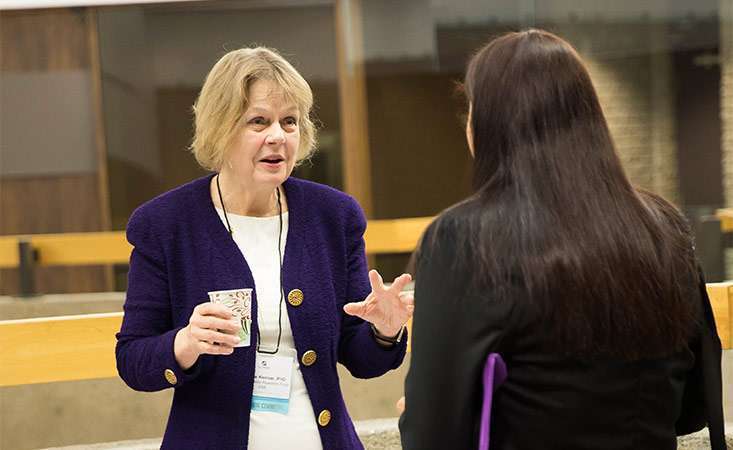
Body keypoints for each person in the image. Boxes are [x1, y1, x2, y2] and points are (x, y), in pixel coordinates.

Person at [399, 29, 724, 450]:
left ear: (491, 124)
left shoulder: (463, 238)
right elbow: (694, 406)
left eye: (472, 110)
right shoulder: (665, 227)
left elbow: (432, 434)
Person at [115, 47, 413, 450]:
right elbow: (133, 360)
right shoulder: (165, 225)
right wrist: (183, 343)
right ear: (221, 128)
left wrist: (384, 331)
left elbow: (360, 356)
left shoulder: (333, 217)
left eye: (289, 121)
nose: (278, 135)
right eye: (259, 121)